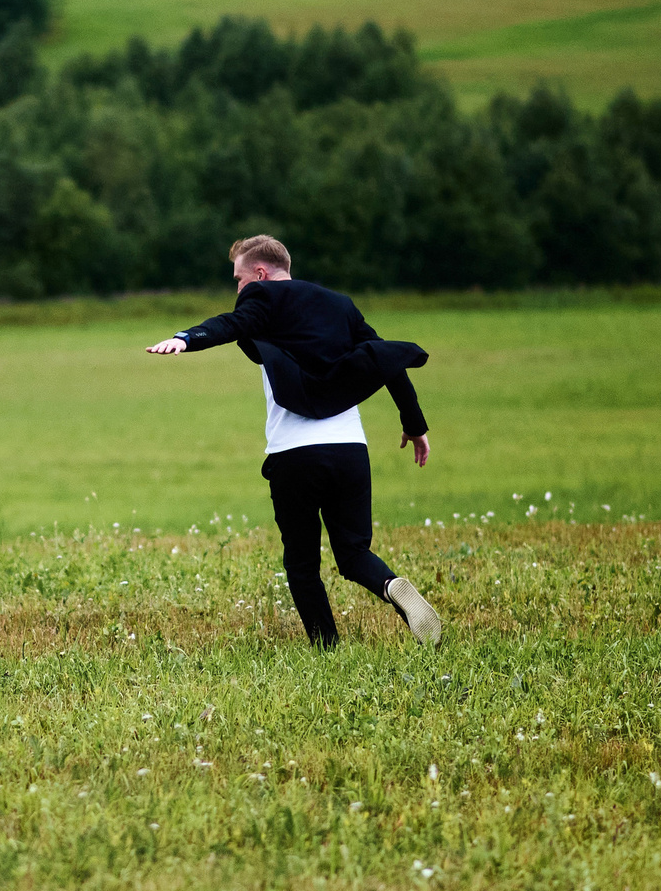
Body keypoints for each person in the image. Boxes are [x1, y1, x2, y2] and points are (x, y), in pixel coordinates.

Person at [146, 234, 443, 648]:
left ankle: (328, 649)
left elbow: (229, 325)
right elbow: (385, 359)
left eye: (238, 279)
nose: (238, 289)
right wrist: (413, 423)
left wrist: (187, 338)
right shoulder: (340, 304)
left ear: (260, 274)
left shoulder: (262, 297)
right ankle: (390, 585)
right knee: (353, 553)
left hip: (295, 454)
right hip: (349, 450)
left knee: (302, 564)